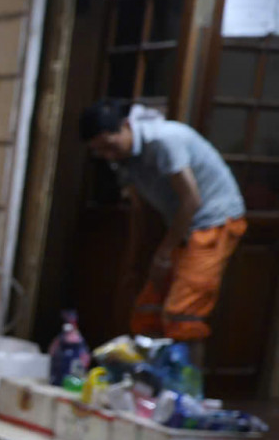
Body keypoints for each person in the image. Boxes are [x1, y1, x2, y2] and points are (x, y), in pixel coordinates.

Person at [79, 100, 246, 364]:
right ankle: (153, 387)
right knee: (148, 311)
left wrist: (164, 253)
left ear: (125, 126)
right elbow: (139, 209)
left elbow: (191, 200)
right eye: (99, 152)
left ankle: (188, 395)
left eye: (110, 146)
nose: (108, 155)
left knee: (183, 313)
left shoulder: (164, 141)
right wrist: (134, 261)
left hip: (214, 221)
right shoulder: (123, 161)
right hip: (179, 226)